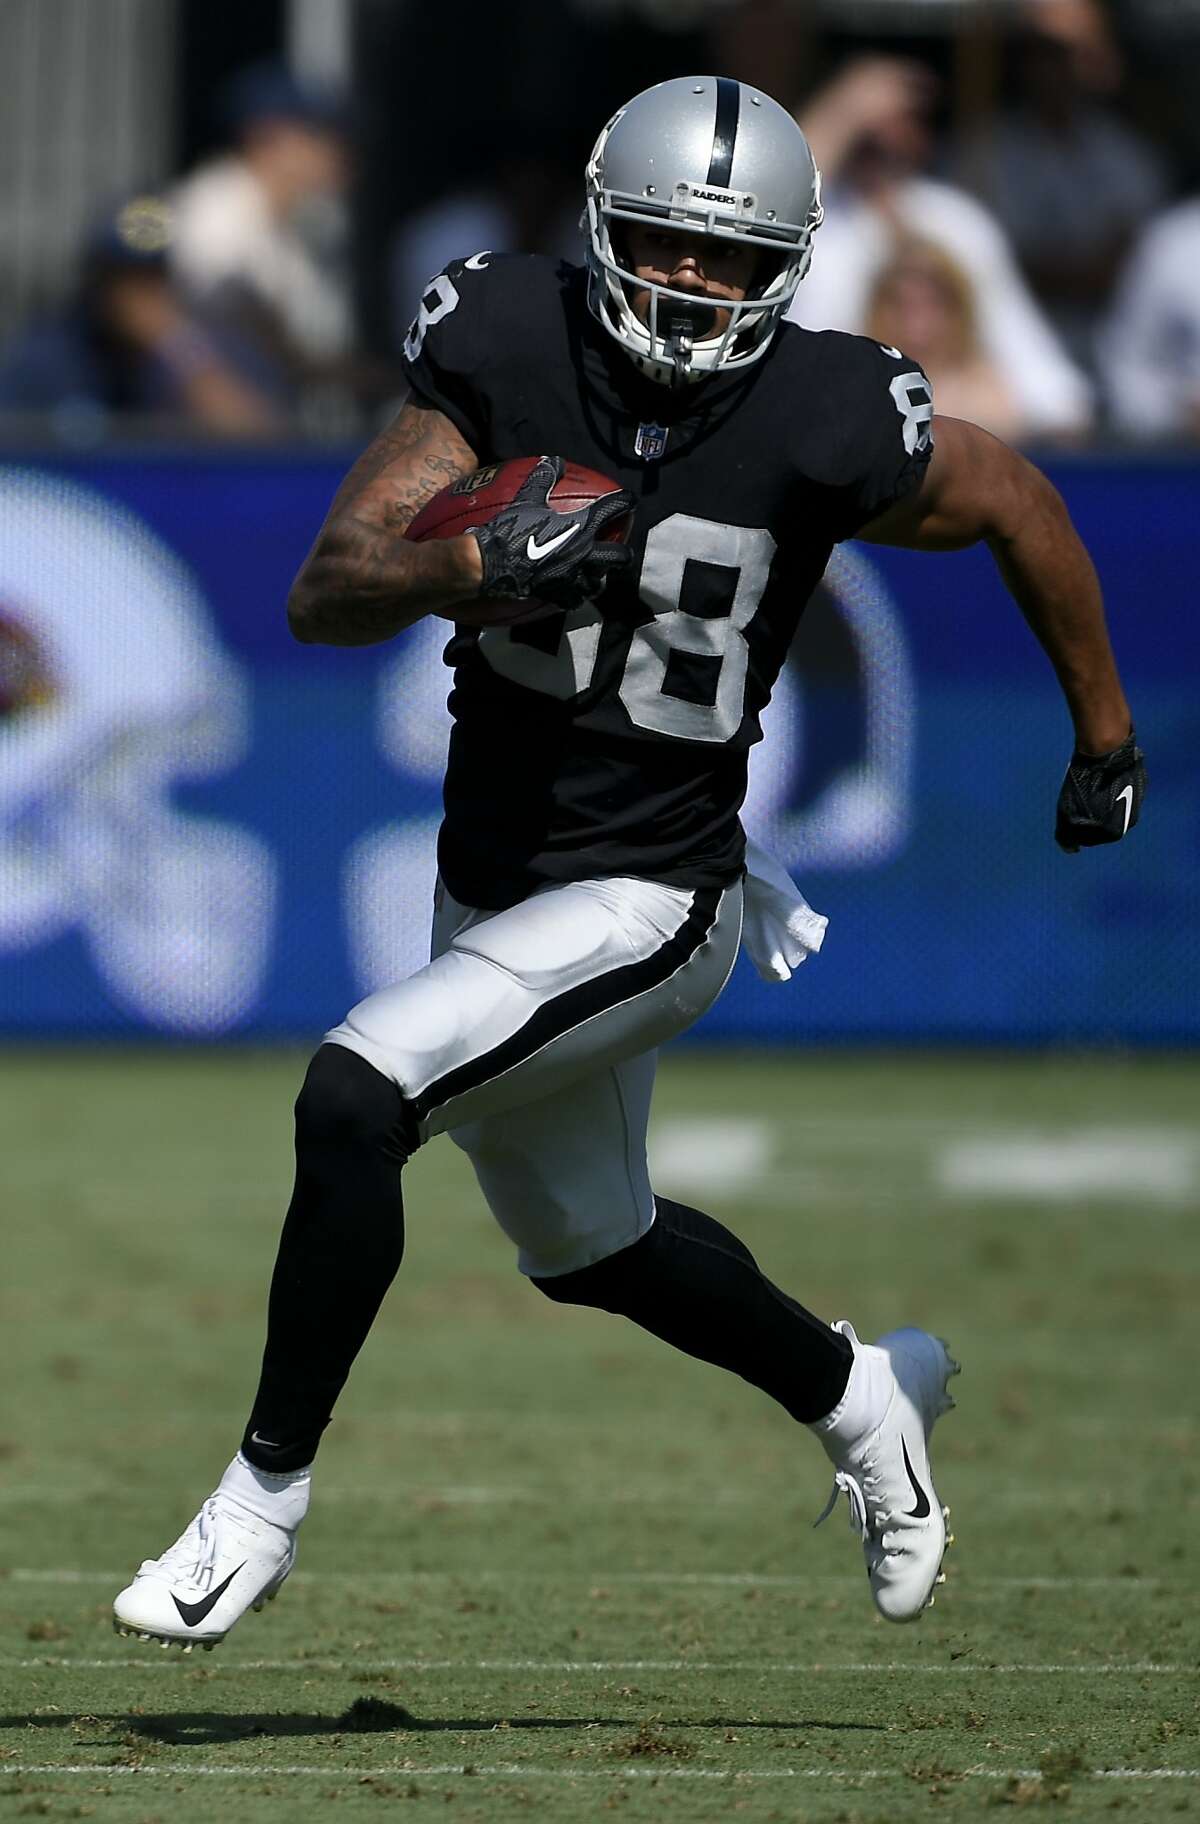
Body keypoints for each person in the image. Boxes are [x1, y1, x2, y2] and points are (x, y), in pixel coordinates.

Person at [112, 76, 1144, 1652]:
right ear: (604, 230)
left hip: (658, 899)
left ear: (790, 267)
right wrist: (464, 562)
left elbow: (1013, 497)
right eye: (666, 244)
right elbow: (330, 591)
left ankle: (259, 1500)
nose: (694, 285)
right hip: (500, 875)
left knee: (354, 1092)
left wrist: (1105, 738)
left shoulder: (824, 409)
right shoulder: (510, 343)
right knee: (594, 1247)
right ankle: (865, 1401)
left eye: (733, 261)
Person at [788, 56, 1094, 440]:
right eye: (866, 131)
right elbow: (781, 193)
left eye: (901, 123)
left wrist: (966, 406)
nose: (885, 142)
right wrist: (841, 109)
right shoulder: (815, 222)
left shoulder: (958, 223)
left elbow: (1057, 398)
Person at [0, 195, 285, 438]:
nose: (138, 298)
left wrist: (177, 346)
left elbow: (258, 445)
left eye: (151, 279)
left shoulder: (200, 352)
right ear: (97, 281)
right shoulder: (47, 356)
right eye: (124, 279)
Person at [864, 240, 1026, 442]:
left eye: (931, 305)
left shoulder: (984, 393)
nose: (916, 323)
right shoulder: (857, 385)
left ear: (956, 310)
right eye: (900, 306)